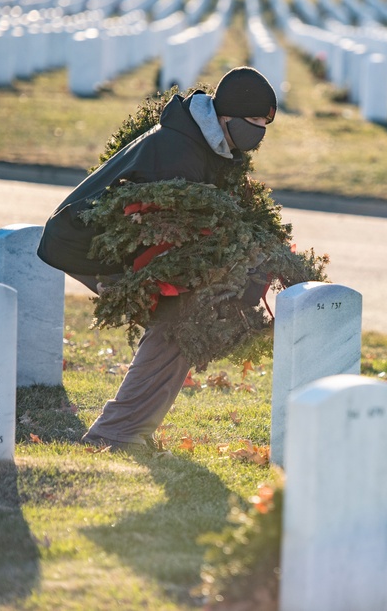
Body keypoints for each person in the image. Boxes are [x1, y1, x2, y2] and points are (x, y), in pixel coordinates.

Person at [37, 66, 277, 451]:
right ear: (226, 116)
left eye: (264, 125)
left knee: (182, 324)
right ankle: (116, 434)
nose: (258, 133)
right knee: (181, 323)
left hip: (114, 240)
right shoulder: (178, 152)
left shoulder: (209, 145)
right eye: (253, 122)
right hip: (83, 241)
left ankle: (131, 429)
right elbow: (175, 242)